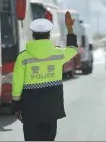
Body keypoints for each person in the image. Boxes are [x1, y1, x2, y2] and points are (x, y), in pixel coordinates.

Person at [12, 11, 78, 141]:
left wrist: (17, 107)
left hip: (30, 109)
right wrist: (69, 28)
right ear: (49, 35)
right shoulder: (58, 54)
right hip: (52, 108)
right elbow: (73, 50)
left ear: (33, 35)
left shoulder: (23, 57)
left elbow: (17, 85)